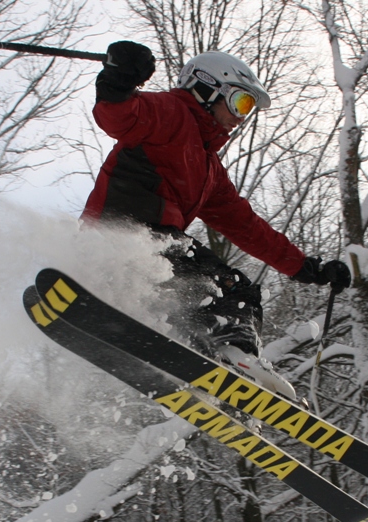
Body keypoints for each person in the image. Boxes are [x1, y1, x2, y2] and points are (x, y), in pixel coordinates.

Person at [81, 41, 351, 398]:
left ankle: (198, 363)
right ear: (207, 88)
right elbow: (118, 115)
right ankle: (232, 354)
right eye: (240, 102)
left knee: (205, 297)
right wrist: (119, 79)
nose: (242, 116)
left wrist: (307, 268)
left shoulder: (208, 169)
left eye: (249, 108)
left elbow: (248, 228)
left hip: (152, 255)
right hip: (129, 235)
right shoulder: (170, 114)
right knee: (231, 291)